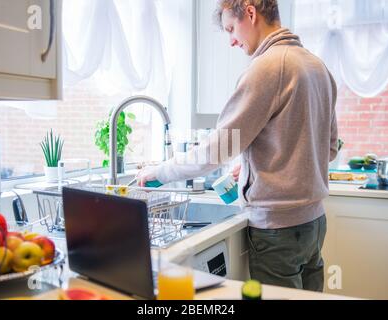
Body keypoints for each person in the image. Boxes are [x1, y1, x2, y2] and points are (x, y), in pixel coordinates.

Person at [137, 0, 338, 292]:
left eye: (231, 28)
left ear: (251, 13)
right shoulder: (317, 67)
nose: (231, 40)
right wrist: (256, 164)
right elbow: (328, 147)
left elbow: (216, 150)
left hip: (277, 228)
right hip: (314, 223)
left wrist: (160, 172)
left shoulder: (266, 69)